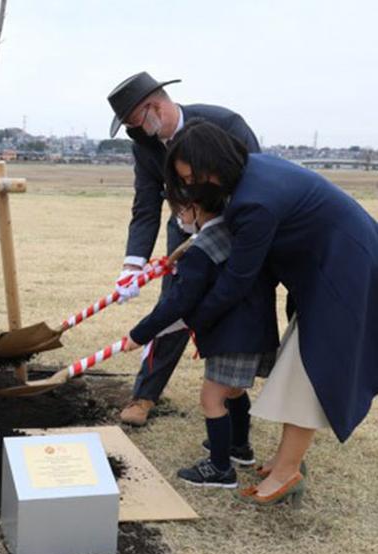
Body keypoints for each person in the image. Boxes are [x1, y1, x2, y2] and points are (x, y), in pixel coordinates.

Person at [164, 119, 378, 507]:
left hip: (346, 271)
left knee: (308, 370)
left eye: (194, 177)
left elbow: (238, 280)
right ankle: (284, 460)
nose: (193, 186)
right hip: (332, 267)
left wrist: (191, 317)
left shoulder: (254, 201)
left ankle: (287, 471)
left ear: (213, 164)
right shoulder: (252, 174)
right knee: (300, 360)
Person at [106, 71, 260, 426]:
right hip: (184, 227)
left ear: (155, 106)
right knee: (173, 303)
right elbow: (146, 205)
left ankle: (231, 393)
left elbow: (256, 183)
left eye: (135, 123)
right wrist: (133, 265)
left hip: (236, 229)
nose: (135, 132)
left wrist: (219, 226)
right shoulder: (144, 146)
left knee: (232, 302)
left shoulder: (226, 124)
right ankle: (144, 395)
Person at [124, 176, 279, 488]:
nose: (179, 220)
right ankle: (238, 447)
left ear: (194, 209)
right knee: (232, 390)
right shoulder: (233, 233)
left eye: (180, 213)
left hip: (232, 335)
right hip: (253, 330)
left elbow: (178, 301)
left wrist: (139, 334)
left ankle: (220, 468)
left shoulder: (200, 250)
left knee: (211, 398)